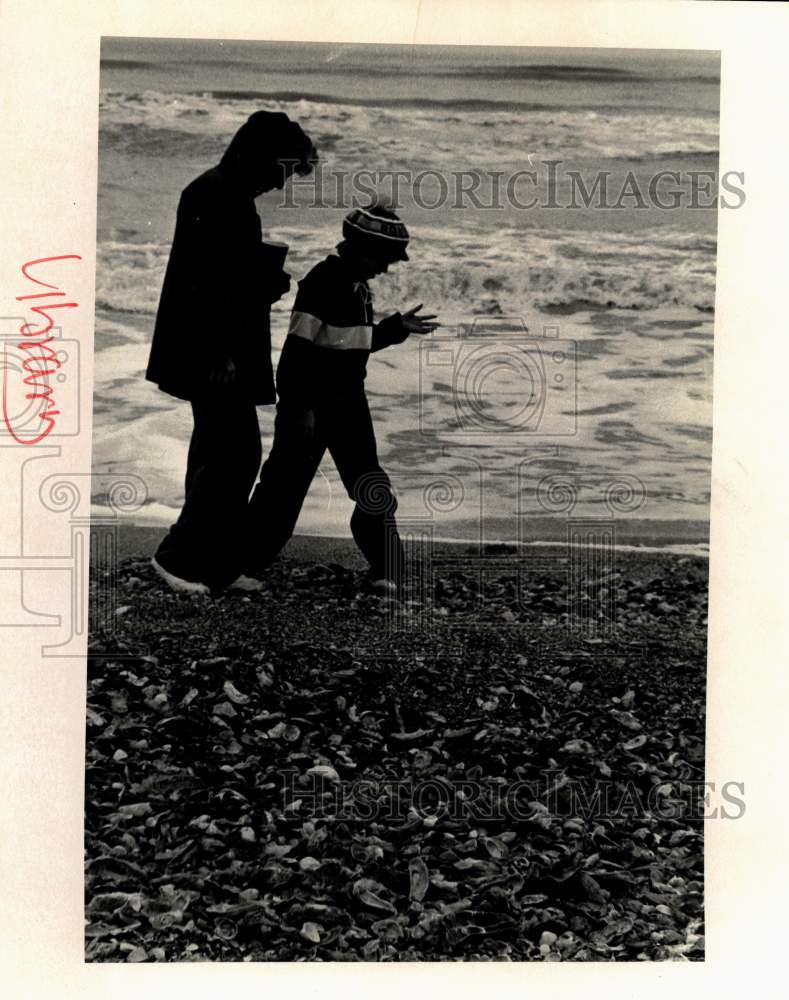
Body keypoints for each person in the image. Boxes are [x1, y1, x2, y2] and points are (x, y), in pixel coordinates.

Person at [145, 111, 317, 595]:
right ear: (259, 156)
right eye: (281, 171)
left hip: (220, 344)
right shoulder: (218, 195)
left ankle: (210, 560)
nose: (281, 184)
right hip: (216, 349)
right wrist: (220, 353)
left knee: (217, 450)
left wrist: (266, 281)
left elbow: (225, 276)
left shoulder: (225, 192)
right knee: (235, 453)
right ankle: (177, 557)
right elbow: (204, 287)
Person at [247, 201, 438, 591]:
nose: (385, 268)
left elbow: (351, 343)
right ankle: (239, 565)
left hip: (348, 404)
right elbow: (295, 355)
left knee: (369, 484)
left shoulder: (358, 289)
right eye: (383, 259)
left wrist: (393, 328)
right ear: (359, 248)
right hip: (313, 405)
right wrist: (299, 409)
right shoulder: (322, 282)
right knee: (282, 490)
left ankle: (389, 571)